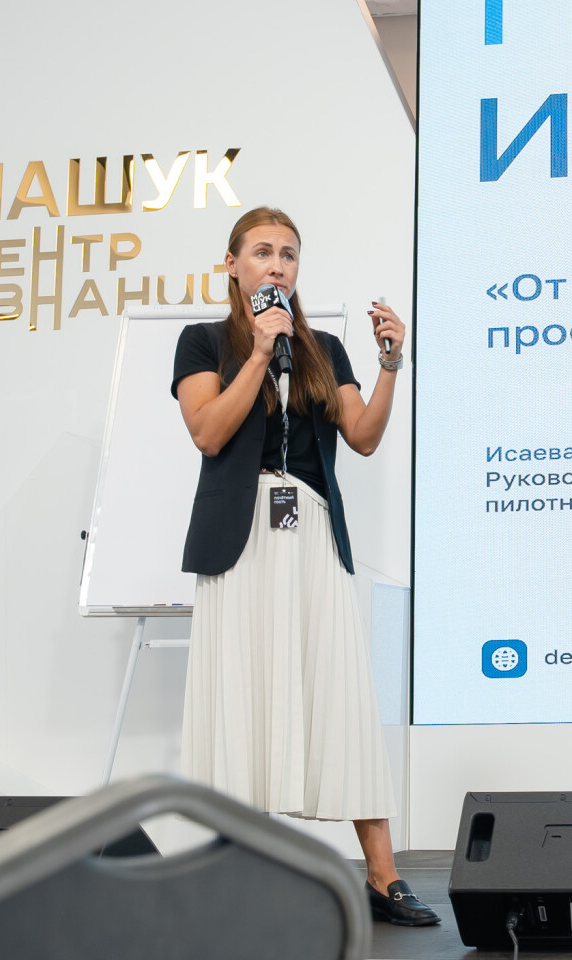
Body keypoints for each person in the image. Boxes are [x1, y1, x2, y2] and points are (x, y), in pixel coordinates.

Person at [171, 206, 435, 928]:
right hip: (239, 535)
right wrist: (259, 352)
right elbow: (208, 432)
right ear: (232, 266)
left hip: (311, 529)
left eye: (289, 253)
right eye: (262, 252)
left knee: (340, 691)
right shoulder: (203, 342)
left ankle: (382, 877)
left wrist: (389, 365)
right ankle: (233, 873)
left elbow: (364, 435)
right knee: (241, 693)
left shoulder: (323, 349)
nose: (278, 264)